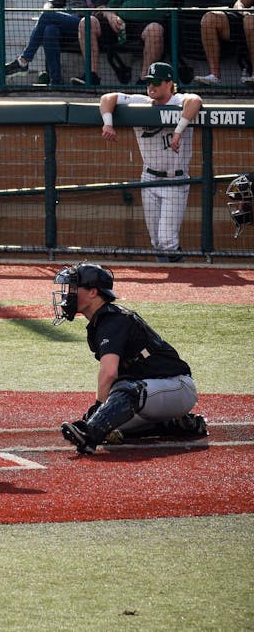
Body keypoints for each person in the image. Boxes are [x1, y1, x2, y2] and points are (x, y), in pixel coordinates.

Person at [51, 262, 206, 455]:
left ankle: (90, 436)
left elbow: (109, 373)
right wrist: (102, 413)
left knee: (121, 396)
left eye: (74, 288)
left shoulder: (113, 320)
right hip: (154, 394)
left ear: (93, 292)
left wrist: (98, 410)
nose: (68, 294)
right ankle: (174, 424)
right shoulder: (101, 323)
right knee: (113, 419)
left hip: (176, 386)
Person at [99, 62, 203, 261]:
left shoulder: (180, 100)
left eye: (156, 82)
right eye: (149, 82)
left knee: (167, 241)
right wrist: (108, 124)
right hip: (149, 178)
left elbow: (195, 100)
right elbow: (107, 98)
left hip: (175, 180)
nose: (151, 87)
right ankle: (166, 281)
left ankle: (180, 276)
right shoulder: (141, 101)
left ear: (169, 83)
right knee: (156, 241)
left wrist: (178, 131)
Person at [0, 0, 121, 86]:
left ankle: (24, 60)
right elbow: (54, 2)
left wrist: (108, 9)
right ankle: (56, 80)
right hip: (70, 21)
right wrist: (47, 8)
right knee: (50, 29)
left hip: (95, 22)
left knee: (47, 17)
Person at [73, 0, 188, 85]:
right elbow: (110, 8)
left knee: (155, 29)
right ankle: (91, 76)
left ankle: (145, 80)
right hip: (121, 24)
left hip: (149, 25)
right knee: (87, 23)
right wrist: (111, 15)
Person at [186, 0, 254, 87]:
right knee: (210, 18)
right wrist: (244, 11)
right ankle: (214, 76)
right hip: (248, 24)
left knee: (250, 21)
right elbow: (239, 3)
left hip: (250, 24)